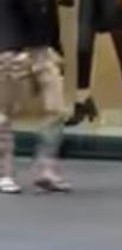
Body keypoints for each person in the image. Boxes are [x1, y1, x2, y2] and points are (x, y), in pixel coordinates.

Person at [0, 0, 71, 194]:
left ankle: (45, 168)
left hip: (43, 48)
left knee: (56, 107)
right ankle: (4, 172)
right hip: (11, 47)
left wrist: (56, 48)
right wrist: (8, 49)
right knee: (5, 111)